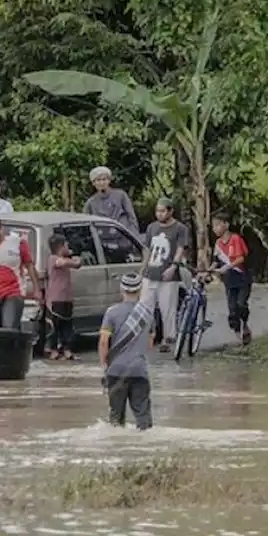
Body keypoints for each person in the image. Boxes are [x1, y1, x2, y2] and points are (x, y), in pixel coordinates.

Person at [99, 272, 153, 431]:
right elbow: (149, 344)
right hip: (139, 370)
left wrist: (104, 366)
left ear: (121, 289)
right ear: (140, 289)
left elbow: (103, 342)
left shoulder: (111, 312)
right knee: (143, 420)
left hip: (116, 371)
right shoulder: (148, 314)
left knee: (116, 419)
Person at [142, 197, 191, 353]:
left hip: (168, 273)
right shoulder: (151, 228)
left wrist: (173, 267)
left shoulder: (180, 228)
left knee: (167, 307)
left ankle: (168, 338)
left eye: (163, 211)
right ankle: (148, 336)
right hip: (151, 272)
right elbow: (148, 250)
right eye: (157, 211)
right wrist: (142, 268)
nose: (159, 214)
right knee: (145, 306)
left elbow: (180, 248)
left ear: (170, 211)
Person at [211, 209, 252, 345]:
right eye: (213, 226)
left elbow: (240, 258)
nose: (215, 228)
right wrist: (210, 269)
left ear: (226, 225)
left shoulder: (235, 239)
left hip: (242, 278)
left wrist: (226, 267)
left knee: (241, 304)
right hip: (229, 280)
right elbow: (216, 260)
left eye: (217, 225)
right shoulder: (218, 244)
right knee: (232, 308)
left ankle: (245, 324)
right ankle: (237, 332)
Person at [45, 234, 81, 360]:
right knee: (55, 326)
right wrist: (75, 260)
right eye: (66, 245)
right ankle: (53, 350)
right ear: (61, 247)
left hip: (66, 298)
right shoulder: (53, 259)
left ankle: (67, 349)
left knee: (67, 325)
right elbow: (63, 263)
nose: (68, 247)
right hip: (55, 299)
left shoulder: (63, 259)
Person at [84, 166, 138, 230]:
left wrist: (133, 232)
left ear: (109, 180)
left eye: (104, 179)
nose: (101, 183)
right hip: (102, 237)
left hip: (122, 235)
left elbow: (131, 217)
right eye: (98, 180)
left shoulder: (121, 195)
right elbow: (86, 223)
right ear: (93, 183)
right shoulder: (90, 203)